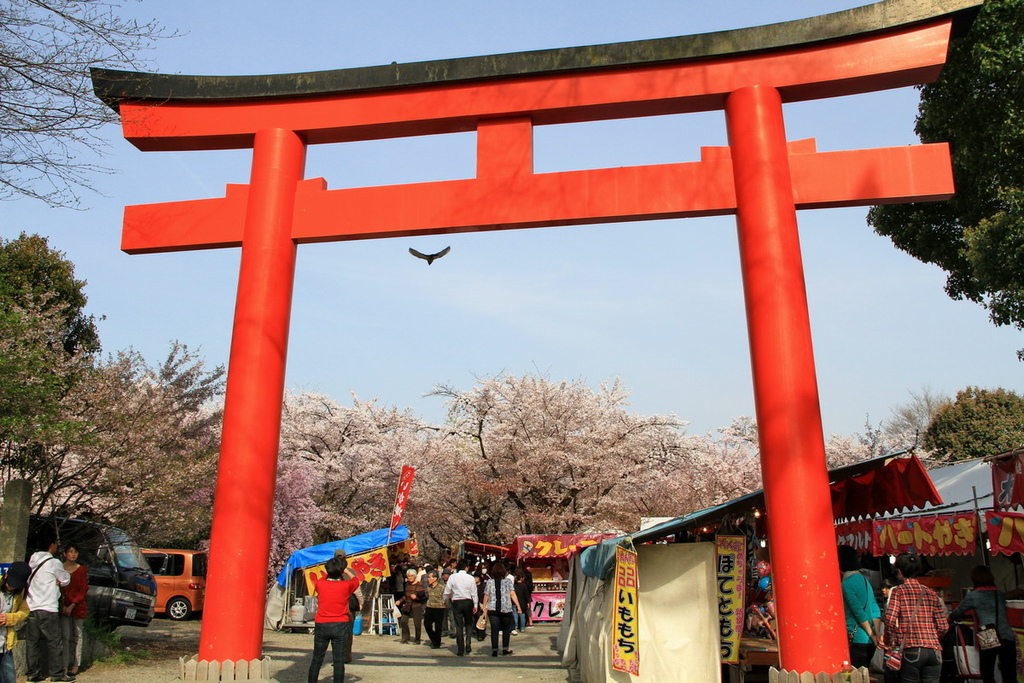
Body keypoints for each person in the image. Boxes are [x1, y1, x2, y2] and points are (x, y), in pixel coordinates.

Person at [883, 553, 947, 683]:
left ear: (899, 571)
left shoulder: (898, 591)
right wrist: (931, 637)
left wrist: (890, 641)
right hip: (934, 651)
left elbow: (890, 620)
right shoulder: (931, 593)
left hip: (910, 650)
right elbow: (943, 626)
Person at [948, 565, 1015, 683]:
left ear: (974, 579)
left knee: (987, 672)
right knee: (1009, 674)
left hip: (988, 636)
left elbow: (957, 612)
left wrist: (950, 617)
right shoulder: (999, 594)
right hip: (1007, 636)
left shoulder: (973, 596)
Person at [25, 533, 71, 683]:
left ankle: (32, 674)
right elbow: (65, 579)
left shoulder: (32, 560)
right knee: (54, 642)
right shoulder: (54, 562)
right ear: (51, 545)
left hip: (32, 606)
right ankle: (56, 675)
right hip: (48, 607)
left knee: (32, 643)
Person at [307, 556, 360, 683]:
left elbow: (322, 578)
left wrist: (330, 571)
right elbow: (356, 580)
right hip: (340, 623)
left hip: (322, 623)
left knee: (317, 659)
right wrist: (346, 571)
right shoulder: (346, 585)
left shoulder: (320, 584)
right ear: (341, 571)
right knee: (339, 660)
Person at [838, 545, 881, 669]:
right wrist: (876, 634)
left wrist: (871, 634)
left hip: (857, 637)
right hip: (870, 639)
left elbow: (858, 612)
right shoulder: (864, 579)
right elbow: (874, 608)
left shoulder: (846, 583)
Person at [481, 561, 521, 657]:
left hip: (493, 609)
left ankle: (494, 650)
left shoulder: (490, 582)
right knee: (506, 630)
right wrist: (518, 606)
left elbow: (486, 595)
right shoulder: (507, 582)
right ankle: (505, 649)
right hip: (506, 608)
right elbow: (512, 594)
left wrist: (484, 606)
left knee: (494, 630)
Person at [60, 544, 87, 680]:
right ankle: (64, 665)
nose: (73, 554)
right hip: (63, 607)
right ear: (65, 553)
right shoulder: (60, 568)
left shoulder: (81, 570)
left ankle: (76, 664)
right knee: (65, 636)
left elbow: (83, 589)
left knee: (77, 636)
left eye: (75, 552)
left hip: (77, 606)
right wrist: (64, 606)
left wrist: (72, 604)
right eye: (70, 552)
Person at [0, 563, 30, 683]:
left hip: (5, 643)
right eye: (10, 584)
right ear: (6, 575)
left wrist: (9, 618)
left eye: (16, 585)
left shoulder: (19, 593)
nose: (12, 587)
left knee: (9, 679)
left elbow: (25, 611)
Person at [441, 560, 478, 657]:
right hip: (468, 601)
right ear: (466, 568)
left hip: (457, 602)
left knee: (459, 625)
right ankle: (468, 641)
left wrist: (444, 599)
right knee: (469, 623)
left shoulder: (453, 577)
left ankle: (460, 648)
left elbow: (447, 590)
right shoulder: (470, 578)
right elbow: (474, 592)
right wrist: (475, 605)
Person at [397, 568, 425, 644]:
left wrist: (416, 597)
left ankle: (417, 639)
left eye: (412, 576)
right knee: (403, 621)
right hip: (407, 606)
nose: (410, 577)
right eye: (409, 576)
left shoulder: (420, 585)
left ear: (415, 576)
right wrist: (400, 601)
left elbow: (424, 597)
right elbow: (405, 596)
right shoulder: (407, 585)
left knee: (417, 624)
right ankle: (405, 637)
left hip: (416, 606)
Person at [423, 571, 446, 649]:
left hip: (439, 608)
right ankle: (434, 639)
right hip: (429, 607)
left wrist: (444, 603)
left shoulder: (442, 587)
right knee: (427, 624)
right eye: (428, 577)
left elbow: (446, 597)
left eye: (430, 577)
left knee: (438, 626)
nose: (429, 579)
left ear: (435, 578)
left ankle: (437, 643)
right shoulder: (428, 587)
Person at [512, 569, 530, 635]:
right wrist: (528, 602)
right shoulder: (524, 585)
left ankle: (515, 627)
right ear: (522, 578)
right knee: (522, 615)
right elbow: (526, 595)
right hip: (523, 603)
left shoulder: (514, 586)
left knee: (515, 615)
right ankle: (522, 627)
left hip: (514, 602)